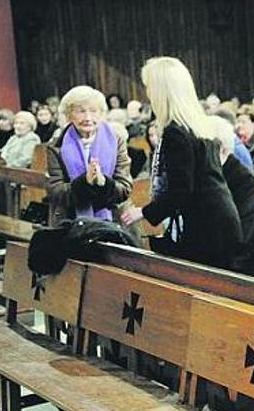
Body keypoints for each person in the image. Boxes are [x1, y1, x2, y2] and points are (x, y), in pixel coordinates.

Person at [120, 57, 242, 267]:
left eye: (149, 87)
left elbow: (181, 190)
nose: (148, 94)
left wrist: (142, 212)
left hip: (208, 226)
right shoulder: (197, 125)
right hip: (220, 220)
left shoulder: (175, 132)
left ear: (161, 91)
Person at [46, 86, 133, 226]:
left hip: (113, 221)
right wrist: (84, 182)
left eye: (93, 111)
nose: (88, 118)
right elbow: (55, 192)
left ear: (101, 114)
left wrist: (104, 182)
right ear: (69, 115)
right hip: (71, 221)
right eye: (80, 111)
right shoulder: (57, 145)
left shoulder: (116, 140)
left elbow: (125, 188)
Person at [210, 116, 254, 280]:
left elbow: (243, 240)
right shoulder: (211, 178)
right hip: (223, 268)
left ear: (221, 151)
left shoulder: (245, 182)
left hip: (250, 276)